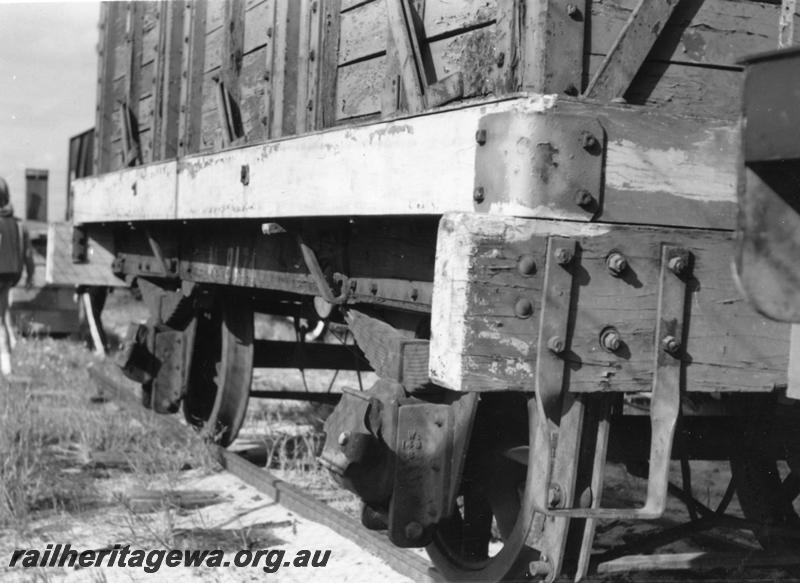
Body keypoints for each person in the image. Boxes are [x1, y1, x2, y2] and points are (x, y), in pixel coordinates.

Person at [0, 177, 34, 376]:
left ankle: (6, 366)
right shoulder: (18, 224)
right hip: (11, 276)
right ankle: (7, 354)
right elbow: (28, 253)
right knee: (2, 314)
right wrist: (30, 275)